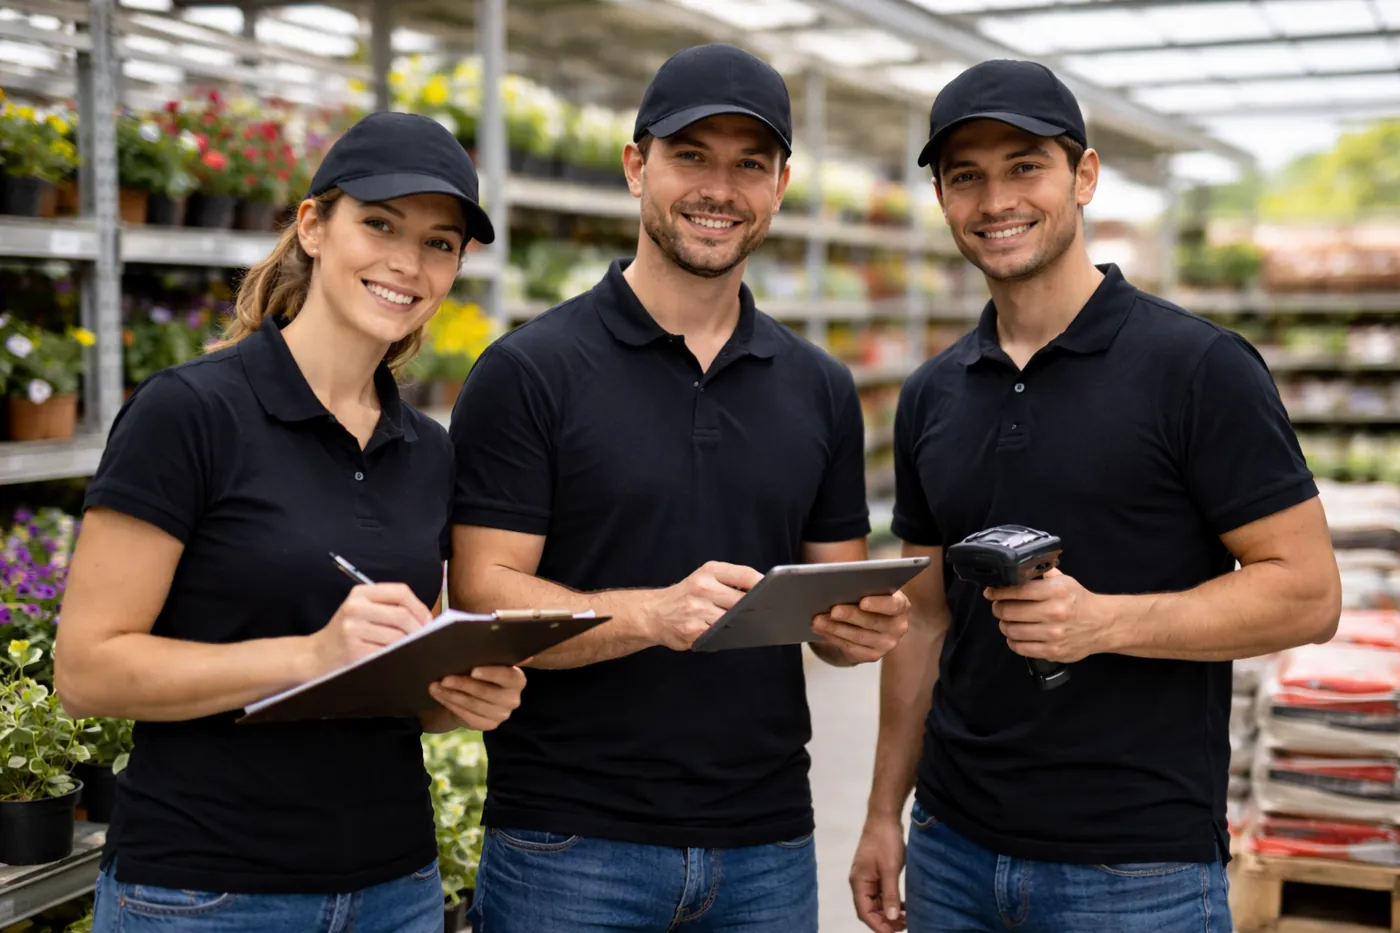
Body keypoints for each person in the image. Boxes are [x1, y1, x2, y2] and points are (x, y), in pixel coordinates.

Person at [848, 59, 1342, 933]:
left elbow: (1306, 592)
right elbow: (925, 618)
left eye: (1024, 165)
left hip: (1135, 868)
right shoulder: (933, 393)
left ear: (1083, 176)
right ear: (942, 198)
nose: (995, 199)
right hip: (952, 849)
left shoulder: (1198, 368)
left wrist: (1105, 622)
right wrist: (886, 809)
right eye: (965, 176)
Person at [446, 42, 911, 932]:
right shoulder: (529, 371)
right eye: (691, 155)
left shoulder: (818, 385)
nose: (719, 188)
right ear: (636, 166)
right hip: (570, 844)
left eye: (750, 164)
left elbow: (833, 611)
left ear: (780, 187)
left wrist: (862, 629)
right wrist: (654, 614)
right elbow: (482, 595)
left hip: (766, 846)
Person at [54, 111, 524, 933]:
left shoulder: (428, 453)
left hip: (396, 888)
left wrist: (458, 692)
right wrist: (309, 654)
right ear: (312, 226)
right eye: (379, 224)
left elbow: (394, 688)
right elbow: (87, 671)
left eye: (440, 243)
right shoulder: (190, 413)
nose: (407, 264)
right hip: (206, 894)